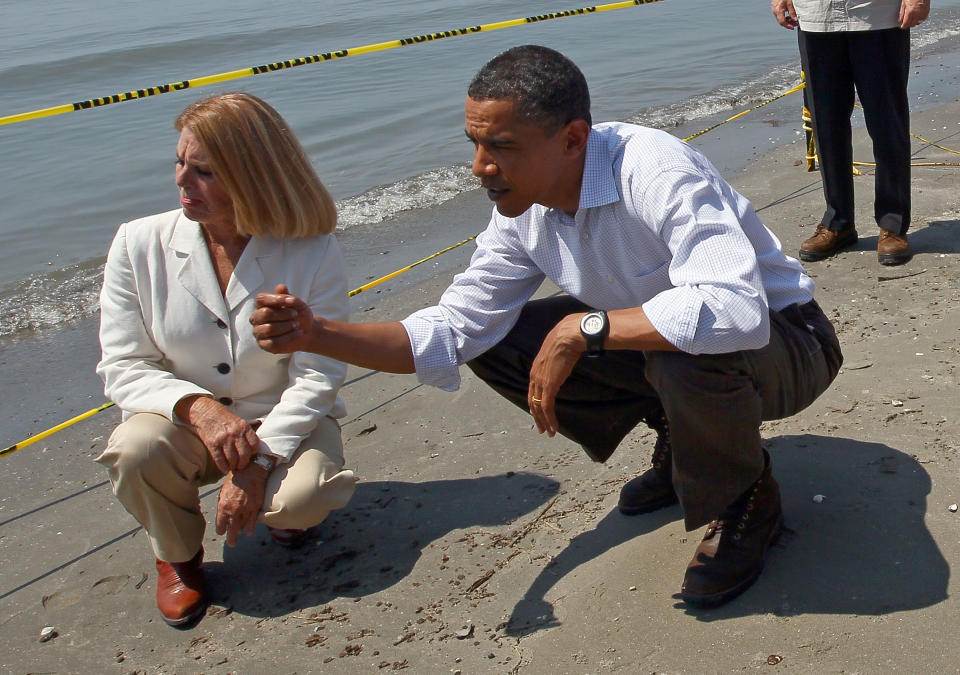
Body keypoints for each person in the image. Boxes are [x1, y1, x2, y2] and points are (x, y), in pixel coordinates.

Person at [251, 46, 843, 608]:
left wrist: (581, 329)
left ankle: (746, 499)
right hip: (683, 350)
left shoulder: (654, 168)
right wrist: (315, 333)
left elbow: (735, 310)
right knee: (499, 337)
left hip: (790, 342)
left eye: (501, 146)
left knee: (677, 344)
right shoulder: (520, 210)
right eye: (475, 143)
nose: (479, 167)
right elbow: (453, 331)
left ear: (573, 139)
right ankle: (681, 435)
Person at [96, 93, 357, 626]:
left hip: (282, 418)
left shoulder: (311, 248)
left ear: (253, 175)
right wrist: (198, 408)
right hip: (184, 427)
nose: (181, 181)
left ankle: (279, 509)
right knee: (135, 448)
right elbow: (122, 365)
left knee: (301, 499)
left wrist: (259, 463)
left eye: (205, 171)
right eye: (180, 163)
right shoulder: (136, 243)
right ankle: (178, 558)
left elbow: (320, 371)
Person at [772, 0, 930, 265]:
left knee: (887, 123)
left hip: (877, 15)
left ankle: (893, 223)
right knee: (826, 123)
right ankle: (838, 222)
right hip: (816, 16)